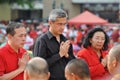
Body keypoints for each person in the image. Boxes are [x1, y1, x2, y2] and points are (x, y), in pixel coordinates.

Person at [33, 9, 75, 80]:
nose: (62, 27)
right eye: (59, 24)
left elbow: (73, 63)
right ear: (50, 23)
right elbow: (38, 66)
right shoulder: (42, 41)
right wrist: (59, 55)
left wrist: (67, 55)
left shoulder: (66, 41)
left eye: (64, 24)